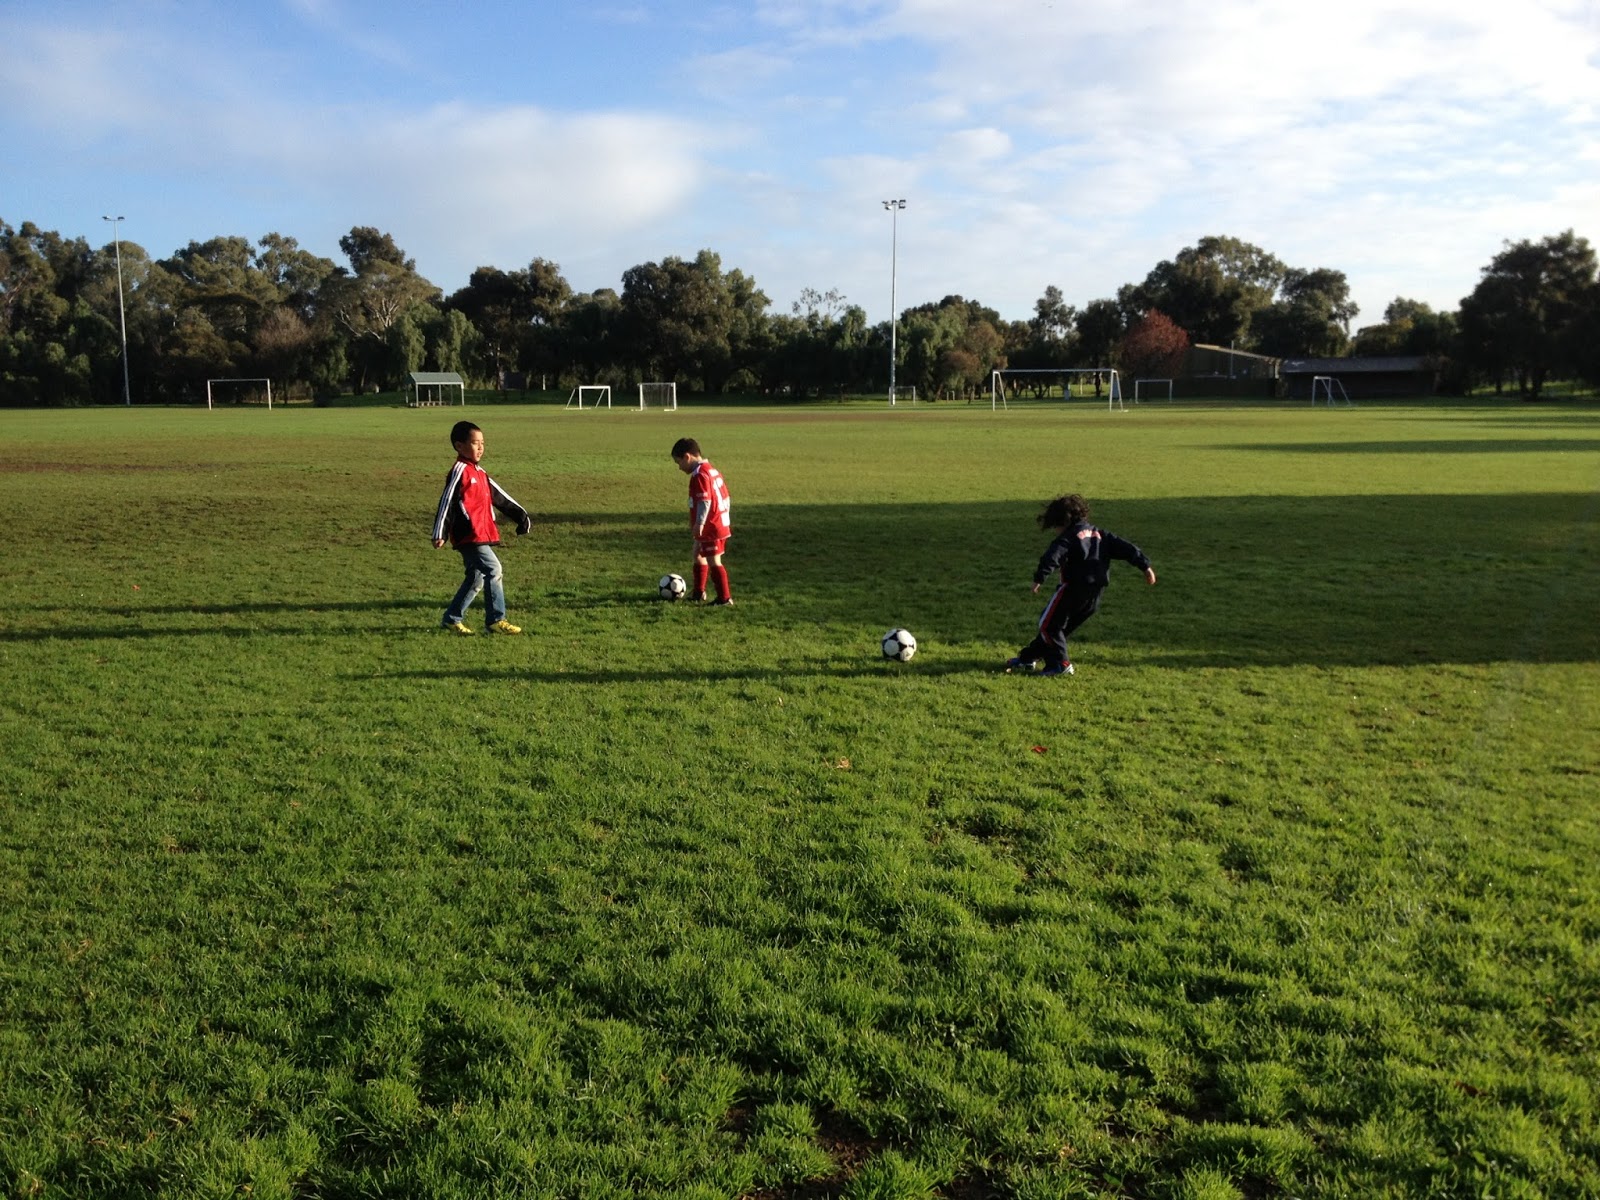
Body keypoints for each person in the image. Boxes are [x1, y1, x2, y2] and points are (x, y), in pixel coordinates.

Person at [1007, 493, 1155, 676]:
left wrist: (1039, 578)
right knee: (1057, 629)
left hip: (1072, 590)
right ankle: (1028, 658)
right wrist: (1145, 566)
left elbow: (1052, 555)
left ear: (1062, 521)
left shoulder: (1068, 537)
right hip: (1095, 595)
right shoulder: (1101, 534)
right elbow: (1127, 548)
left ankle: (1061, 664)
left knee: (1048, 626)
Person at [432, 420, 532, 635]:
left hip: (480, 534)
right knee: (494, 570)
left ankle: (451, 619)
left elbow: (501, 498)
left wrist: (521, 517)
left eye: (483, 443)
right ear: (459, 446)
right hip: (469, 534)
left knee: (476, 578)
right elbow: (447, 501)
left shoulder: (480, 473)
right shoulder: (460, 471)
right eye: (475, 443)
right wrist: (440, 532)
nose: (480, 448)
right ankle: (496, 620)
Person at [669, 437, 733, 605]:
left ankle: (724, 598)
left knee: (714, 561)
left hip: (711, 526)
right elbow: (726, 497)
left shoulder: (700, 475)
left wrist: (700, 523)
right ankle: (698, 592)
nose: (679, 468)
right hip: (718, 522)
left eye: (678, 463)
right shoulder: (711, 470)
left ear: (687, 457)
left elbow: (705, 501)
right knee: (698, 554)